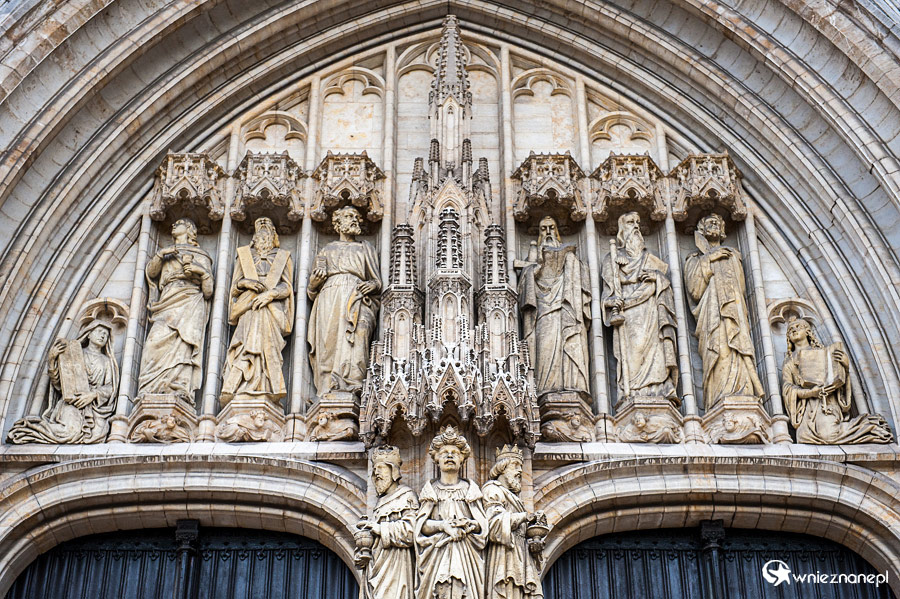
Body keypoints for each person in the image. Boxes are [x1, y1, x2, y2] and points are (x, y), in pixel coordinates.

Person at [684, 213, 764, 408]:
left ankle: (742, 391)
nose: (714, 225)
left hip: (734, 313)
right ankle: (719, 397)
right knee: (719, 348)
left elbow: (741, 288)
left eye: (717, 223)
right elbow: (695, 290)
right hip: (711, 314)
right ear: (701, 231)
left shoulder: (733, 255)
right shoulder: (695, 259)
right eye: (709, 223)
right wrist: (709, 259)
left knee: (736, 347)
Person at [600, 212, 678, 404]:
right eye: (629, 222)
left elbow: (664, 285)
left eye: (637, 222)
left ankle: (660, 389)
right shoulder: (612, 261)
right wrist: (612, 303)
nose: (635, 226)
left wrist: (657, 278)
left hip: (651, 313)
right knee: (634, 353)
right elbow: (606, 297)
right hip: (630, 318)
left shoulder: (650, 260)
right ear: (621, 230)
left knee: (656, 352)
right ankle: (632, 393)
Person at [308, 206, 381, 397]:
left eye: (357, 217)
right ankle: (327, 386)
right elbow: (312, 289)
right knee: (328, 343)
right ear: (338, 223)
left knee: (357, 336)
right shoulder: (326, 250)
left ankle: (352, 382)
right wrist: (313, 284)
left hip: (356, 297)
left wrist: (372, 285)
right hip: (329, 296)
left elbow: (377, 281)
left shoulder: (365, 248)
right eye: (349, 216)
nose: (355, 220)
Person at [782, 318, 892, 444]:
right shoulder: (789, 362)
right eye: (790, 329)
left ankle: (870, 425)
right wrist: (811, 393)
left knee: (828, 435)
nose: (794, 330)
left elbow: (838, 380)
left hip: (826, 403)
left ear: (808, 331)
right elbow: (788, 388)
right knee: (803, 437)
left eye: (798, 326)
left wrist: (844, 366)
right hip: (807, 408)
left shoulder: (825, 354)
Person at [8, 318, 118, 444]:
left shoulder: (107, 361)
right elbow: (59, 383)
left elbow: (110, 387)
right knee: (70, 432)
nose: (103, 336)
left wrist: (92, 394)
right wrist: (52, 359)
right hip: (72, 404)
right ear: (89, 334)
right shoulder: (73, 354)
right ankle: (29, 429)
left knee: (98, 435)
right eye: (99, 331)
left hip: (94, 408)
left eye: (106, 334)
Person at [137, 218, 213, 401]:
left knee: (183, 344)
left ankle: (179, 386)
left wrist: (200, 272)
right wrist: (161, 254)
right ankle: (151, 386)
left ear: (189, 229)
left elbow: (208, 291)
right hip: (167, 300)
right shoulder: (166, 254)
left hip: (190, 301)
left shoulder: (200, 255)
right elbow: (152, 273)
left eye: (178, 223)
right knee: (154, 342)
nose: (173, 225)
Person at [221, 217, 294, 404]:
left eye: (267, 229)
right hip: (248, 307)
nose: (263, 233)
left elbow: (287, 287)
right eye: (259, 229)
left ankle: (267, 386)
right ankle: (240, 385)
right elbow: (234, 288)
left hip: (271, 310)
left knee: (267, 345)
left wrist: (270, 295)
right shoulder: (244, 256)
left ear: (273, 235)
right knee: (245, 345)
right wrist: (245, 282)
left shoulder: (282, 257)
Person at [517, 216, 591, 398]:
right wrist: (537, 267)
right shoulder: (533, 259)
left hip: (566, 306)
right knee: (546, 346)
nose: (548, 232)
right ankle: (544, 390)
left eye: (551, 228)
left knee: (571, 341)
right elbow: (523, 290)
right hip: (543, 312)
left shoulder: (570, 258)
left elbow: (584, 283)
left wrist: (572, 263)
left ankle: (573, 385)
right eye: (544, 229)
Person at [415, 426, 487, 599]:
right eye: (444, 452)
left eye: (454, 452)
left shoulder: (470, 489)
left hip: (466, 554)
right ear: (436, 459)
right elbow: (421, 526)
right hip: (437, 553)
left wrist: (469, 525)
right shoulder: (431, 490)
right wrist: (443, 526)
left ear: (462, 459)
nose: (449, 455)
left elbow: (482, 525)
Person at [357, 446, 419, 599]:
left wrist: (379, 528)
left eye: (380, 468)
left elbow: (412, 532)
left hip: (397, 564)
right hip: (376, 564)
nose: (376, 473)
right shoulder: (380, 502)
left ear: (393, 471)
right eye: (374, 469)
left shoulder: (406, 496)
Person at [483, 445, 543, 599]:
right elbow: (493, 524)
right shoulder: (492, 490)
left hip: (519, 553)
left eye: (520, 466)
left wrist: (534, 546)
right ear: (501, 468)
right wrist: (524, 517)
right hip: (504, 553)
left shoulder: (514, 498)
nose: (519, 471)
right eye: (515, 466)